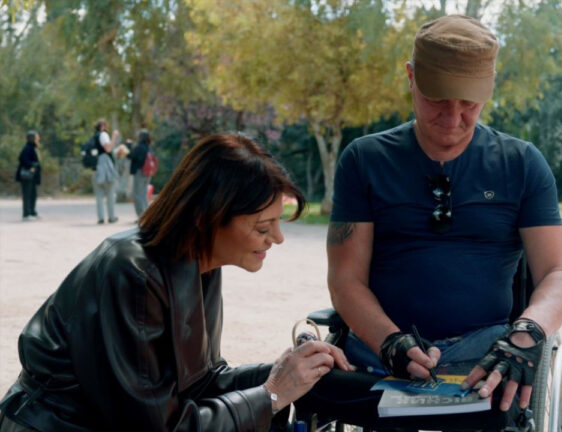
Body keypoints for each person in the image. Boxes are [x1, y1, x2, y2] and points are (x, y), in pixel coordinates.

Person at [0, 133, 353, 431]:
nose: (278, 238)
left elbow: (200, 382)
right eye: (263, 227)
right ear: (207, 218)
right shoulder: (133, 273)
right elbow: (157, 426)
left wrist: (288, 371)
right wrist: (273, 393)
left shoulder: (200, 262)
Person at [327, 14, 562, 414]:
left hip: (488, 351)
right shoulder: (364, 160)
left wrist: (528, 333)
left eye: (469, 103)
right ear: (411, 77)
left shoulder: (522, 164)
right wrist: (390, 341)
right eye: (437, 99)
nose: (452, 117)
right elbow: (346, 279)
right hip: (379, 349)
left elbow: (559, 273)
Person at [92, 119, 120, 224]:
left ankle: (101, 218)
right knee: (110, 192)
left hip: (96, 167)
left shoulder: (94, 137)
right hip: (105, 165)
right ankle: (111, 217)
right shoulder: (103, 134)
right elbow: (108, 149)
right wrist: (114, 137)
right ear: (103, 126)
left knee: (99, 194)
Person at [15, 131, 41, 221]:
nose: (38, 139)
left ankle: (32, 212)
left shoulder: (33, 148)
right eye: (37, 137)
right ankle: (26, 214)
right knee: (27, 195)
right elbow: (22, 158)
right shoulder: (27, 148)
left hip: (32, 176)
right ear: (32, 138)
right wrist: (31, 166)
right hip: (27, 176)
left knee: (33, 194)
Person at [128, 129, 152, 218]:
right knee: (144, 194)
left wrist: (128, 145)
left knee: (137, 194)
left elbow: (130, 155)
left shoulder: (139, 147)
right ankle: (146, 214)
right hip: (148, 173)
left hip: (139, 173)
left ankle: (141, 215)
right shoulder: (149, 147)